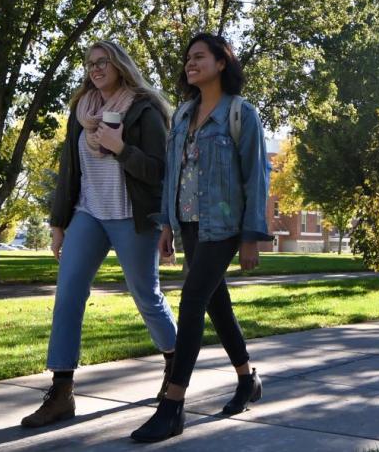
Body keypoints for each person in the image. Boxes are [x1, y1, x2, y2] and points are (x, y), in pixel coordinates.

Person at [21, 41, 178, 428]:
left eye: (102, 61)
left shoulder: (145, 108)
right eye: (89, 63)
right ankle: (61, 391)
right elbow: (68, 171)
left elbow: (161, 171)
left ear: (120, 64)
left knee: (146, 295)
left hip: (131, 216)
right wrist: (58, 225)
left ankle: (176, 368)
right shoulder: (82, 110)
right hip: (88, 214)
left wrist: (121, 148)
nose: (95, 68)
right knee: (68, 294)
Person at [131, 33, 271, 443]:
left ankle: (173, 405)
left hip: (224, 225)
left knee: (191, 302)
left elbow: (255, 176)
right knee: (216, 302)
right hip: (189, 224)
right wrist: (168, 225)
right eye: (188, 58)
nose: (190, 63)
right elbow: (173, 173)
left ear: (221, 62)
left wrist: (250, 237)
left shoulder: (241, 113)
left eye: (199, 57)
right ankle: (248, 379)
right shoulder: (182, 115)